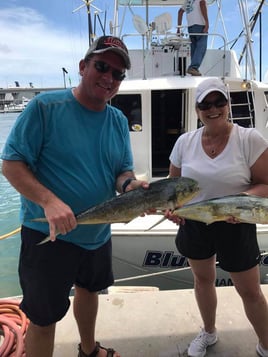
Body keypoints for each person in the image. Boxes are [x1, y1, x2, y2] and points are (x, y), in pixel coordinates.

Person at [1, 35, 148, 357]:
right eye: (102, 66)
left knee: (90, 291)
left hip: (97, 233)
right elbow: (11, 164)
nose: (109, 78)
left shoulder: (118, 119)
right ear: (83, 67)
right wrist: (49, 202)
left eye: (119, 74)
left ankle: (89, 349)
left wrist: (130, 187)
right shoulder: (45, 107)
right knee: (43, 318)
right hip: (50, 236)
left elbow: (122, 172)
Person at [167, 77, 268, 357]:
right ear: (197, 109)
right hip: (195, 223)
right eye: (205, 104)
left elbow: (266, 185)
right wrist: (171, 209)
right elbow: (172, 188)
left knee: (250, 291)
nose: (213, 109)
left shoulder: (249, 139)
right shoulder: (185, 142)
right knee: (203, 280)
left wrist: (241, 203)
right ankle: (209, 333)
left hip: (236, 223)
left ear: (228, 103)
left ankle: (266, 345)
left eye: (219, 102)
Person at [177, 0, 209, 76]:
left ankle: (194, 69)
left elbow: (180, 12)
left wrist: (179, 28)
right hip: (200, 25)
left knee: (194, 48)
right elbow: (202, 4)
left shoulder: (187, 1)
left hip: (190, 27)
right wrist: (207, 22)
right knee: (202, 46)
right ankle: (193, 68)